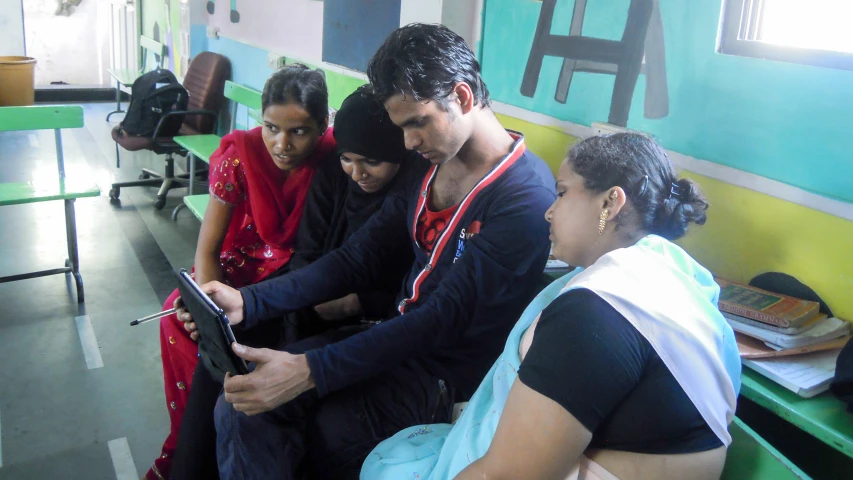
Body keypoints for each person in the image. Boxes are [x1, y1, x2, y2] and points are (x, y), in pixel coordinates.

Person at [175, 23, 556, 479]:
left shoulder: (524, 197)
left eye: (417, 123)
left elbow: (442, 319)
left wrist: (310, 369)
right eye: (401, 128)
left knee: (318, 433)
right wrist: (250, 301)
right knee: (243, 404)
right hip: (397, 337)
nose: (409, 142)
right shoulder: (430, 164)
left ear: (462, 96)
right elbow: (358, 257)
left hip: (447, 371)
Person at [362, 133, 742, 480]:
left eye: (561, 193)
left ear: (611, 201)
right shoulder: (680, 287)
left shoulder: (599, 312)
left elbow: (504, 476)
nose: (548, 211)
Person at [143, 63, 335, 480]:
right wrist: (208, 303)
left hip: (294, 279)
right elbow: (208, 249)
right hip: (238, 270)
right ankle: (190, 448)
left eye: (298, 131)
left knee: (239, 346)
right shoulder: (239, 158)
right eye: (270, 127)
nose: (281, 144)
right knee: (181, 319)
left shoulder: (336, 163)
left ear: (324, 124)